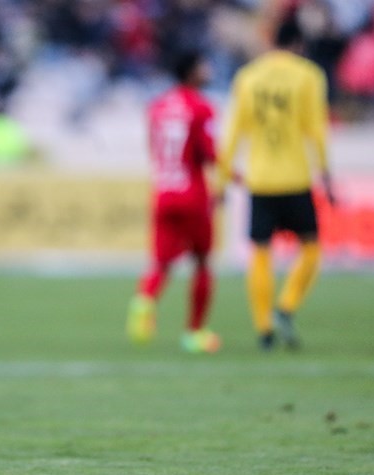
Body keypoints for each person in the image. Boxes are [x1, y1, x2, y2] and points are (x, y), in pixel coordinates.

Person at [217, 20, 334, 351]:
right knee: (311, 247)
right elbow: (317, 130)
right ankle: (287, 305)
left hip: (261, 179)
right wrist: (326, 173)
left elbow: (233, 133)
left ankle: (264, 328)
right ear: (297, 44)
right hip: (296, 177)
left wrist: (222, 180)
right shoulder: (309, 75)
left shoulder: (248, 77)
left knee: (260, 252)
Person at [127, 50, 221, 354]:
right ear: (191, 71)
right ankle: (194, 333)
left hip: (163, 190)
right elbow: (209, 153)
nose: (208, 70)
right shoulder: (202, 107)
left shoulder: (157, 106)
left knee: (162, 263)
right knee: (203, 262)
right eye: (204, 65)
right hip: (192, 194)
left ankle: (144, 300)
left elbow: (152, 147)